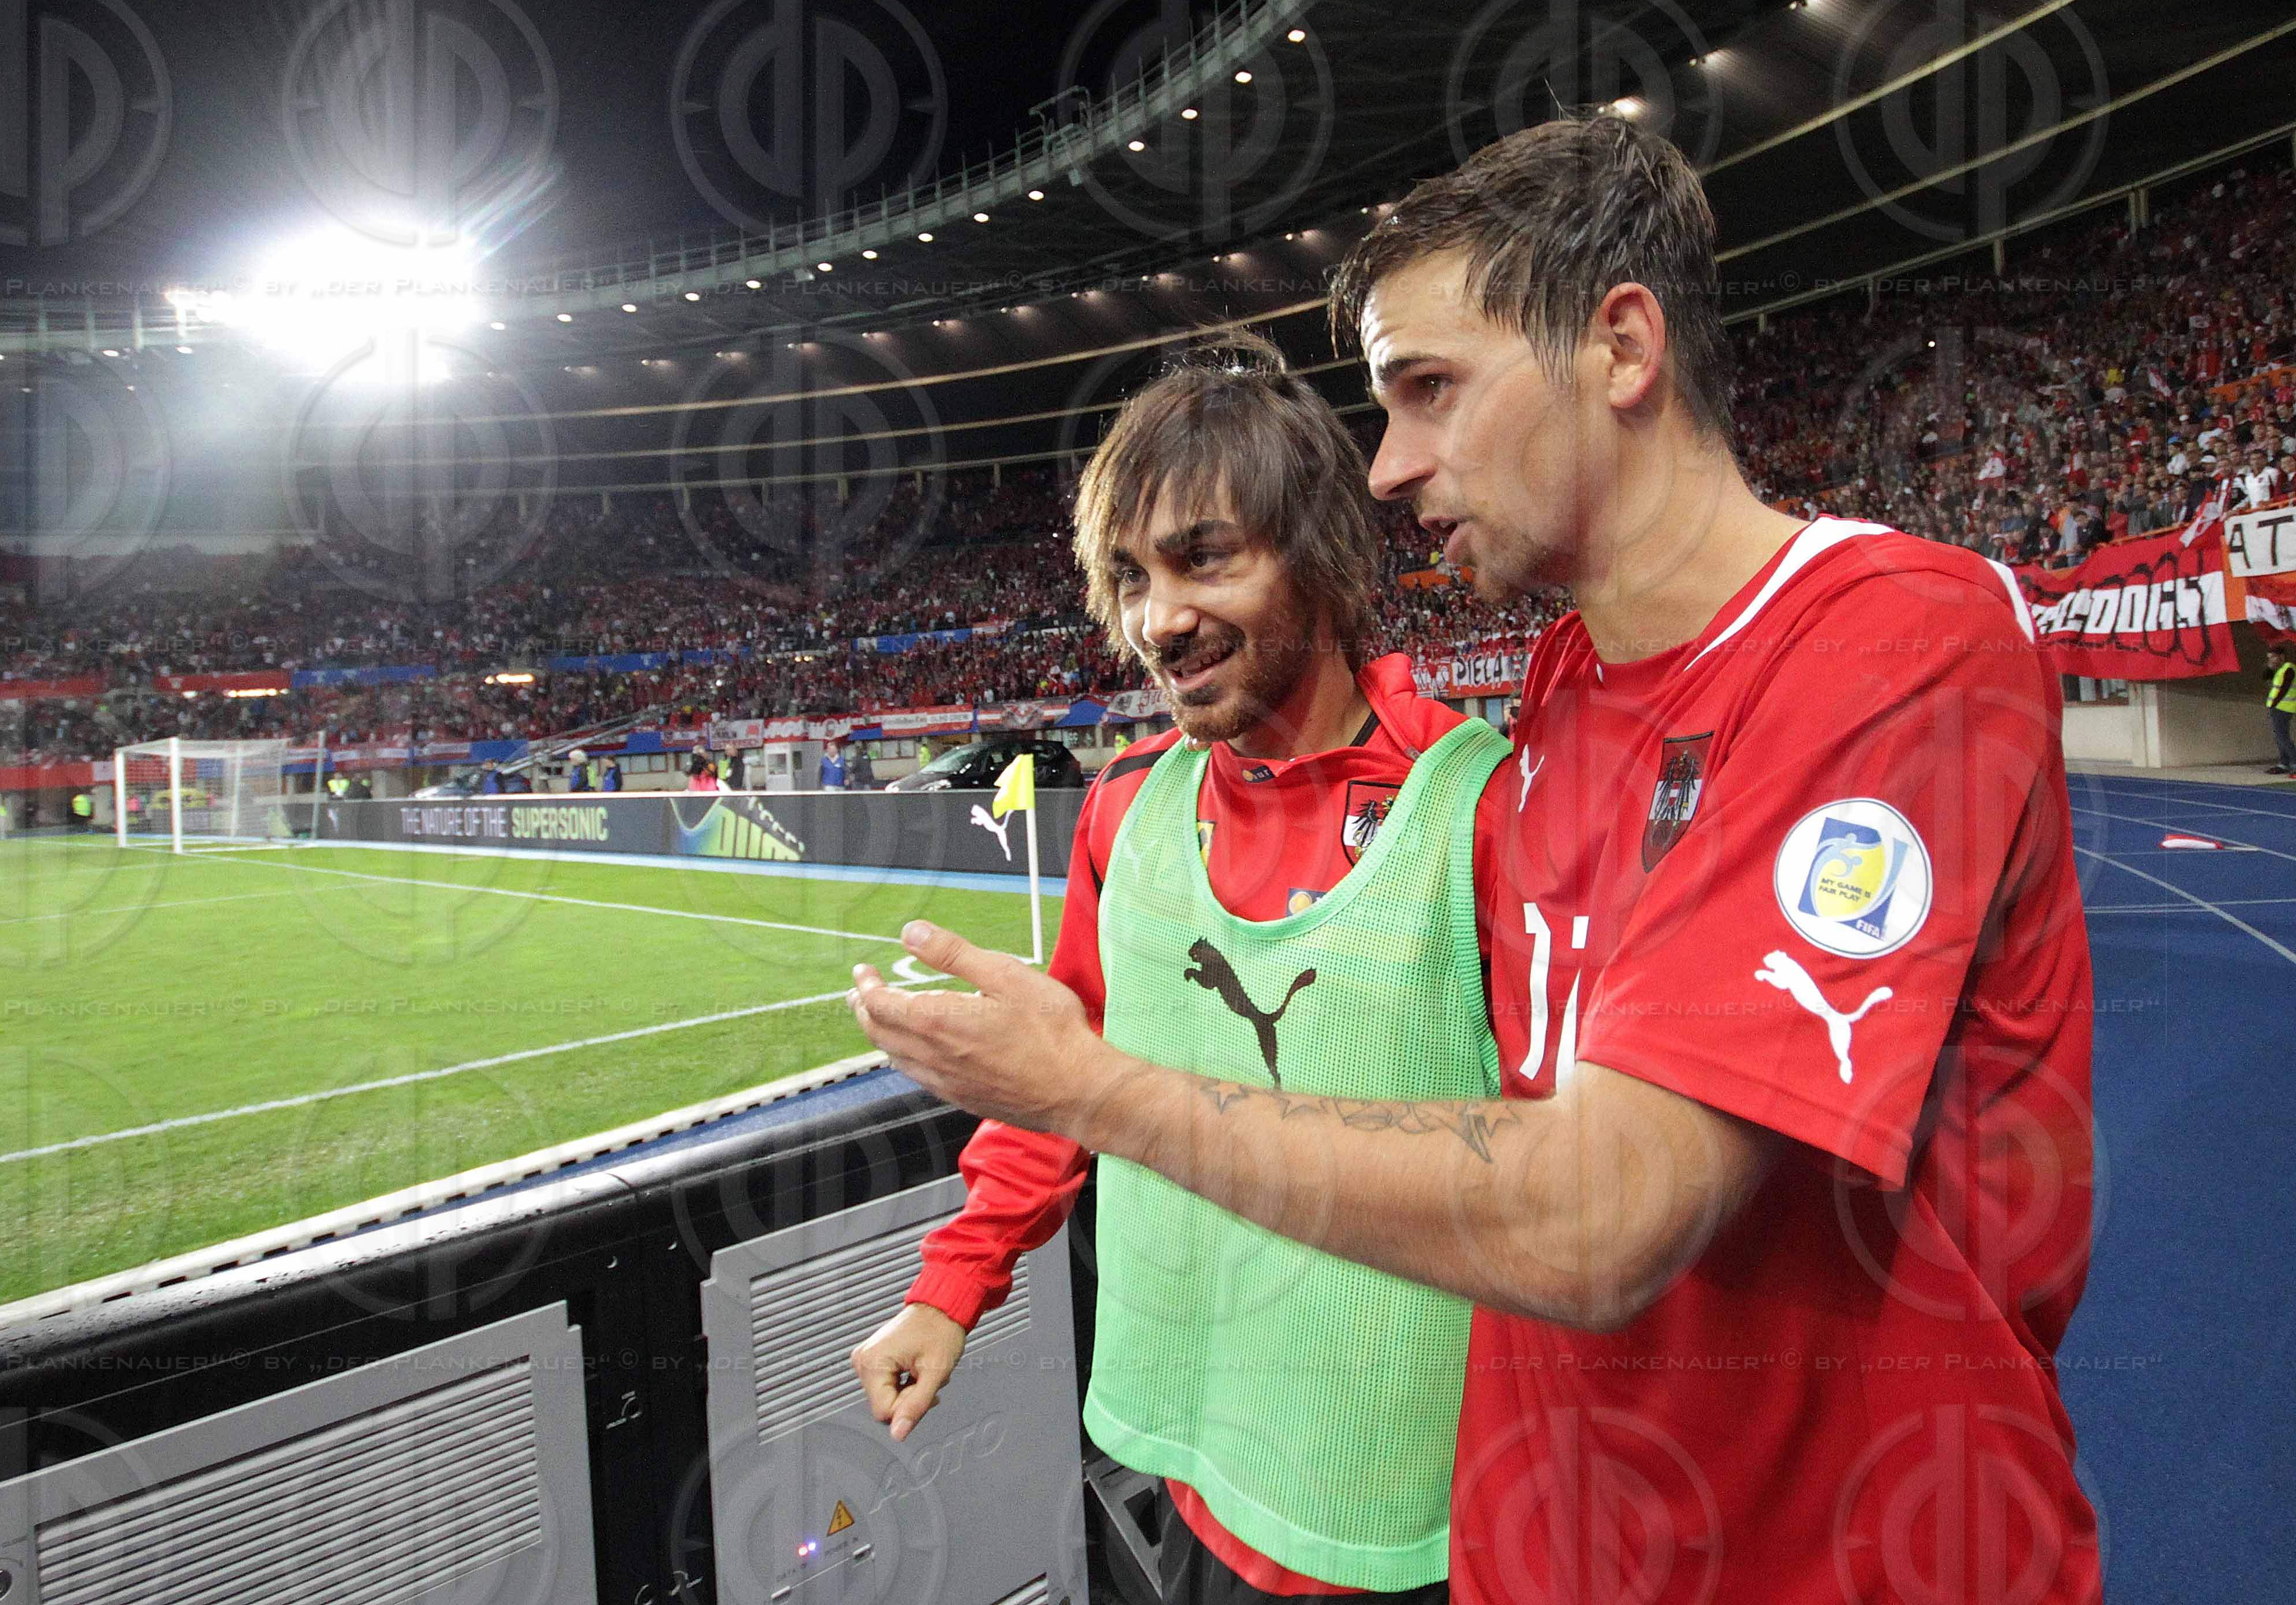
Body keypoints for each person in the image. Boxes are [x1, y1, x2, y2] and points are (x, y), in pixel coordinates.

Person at [852, 117, 2100, 1605]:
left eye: (1427, 388)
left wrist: (1091, 1092)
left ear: (1619, 346)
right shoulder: (1561, 695)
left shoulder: (1892, 639)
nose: (1387, 467)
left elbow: (1601, 1218)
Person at [849, 338, 1510, 1603]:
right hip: (1194, 1463)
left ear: (1320, 553)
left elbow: (1565, 1186)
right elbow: (1071, 1081)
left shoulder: (1480, 812)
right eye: (1128, 576)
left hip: (1409, 1511)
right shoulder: (1124, 811)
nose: (1156, 620)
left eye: (1204, 558)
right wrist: (952, 1284)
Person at [2265, 633, 2296, 776]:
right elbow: (2266, 679)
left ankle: (2293, 763)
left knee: (2283, 737)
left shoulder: (2289, 669)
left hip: (2283, 708)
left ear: (2281, 657)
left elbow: (2284, 688)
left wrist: (2274, 704)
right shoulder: (2279, 670)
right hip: (2277, 708)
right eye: (2269, 658)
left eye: (2273, 657)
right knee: (2280, 737)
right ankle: (2284, 763)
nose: (2271, 660)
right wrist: (2270, 668)